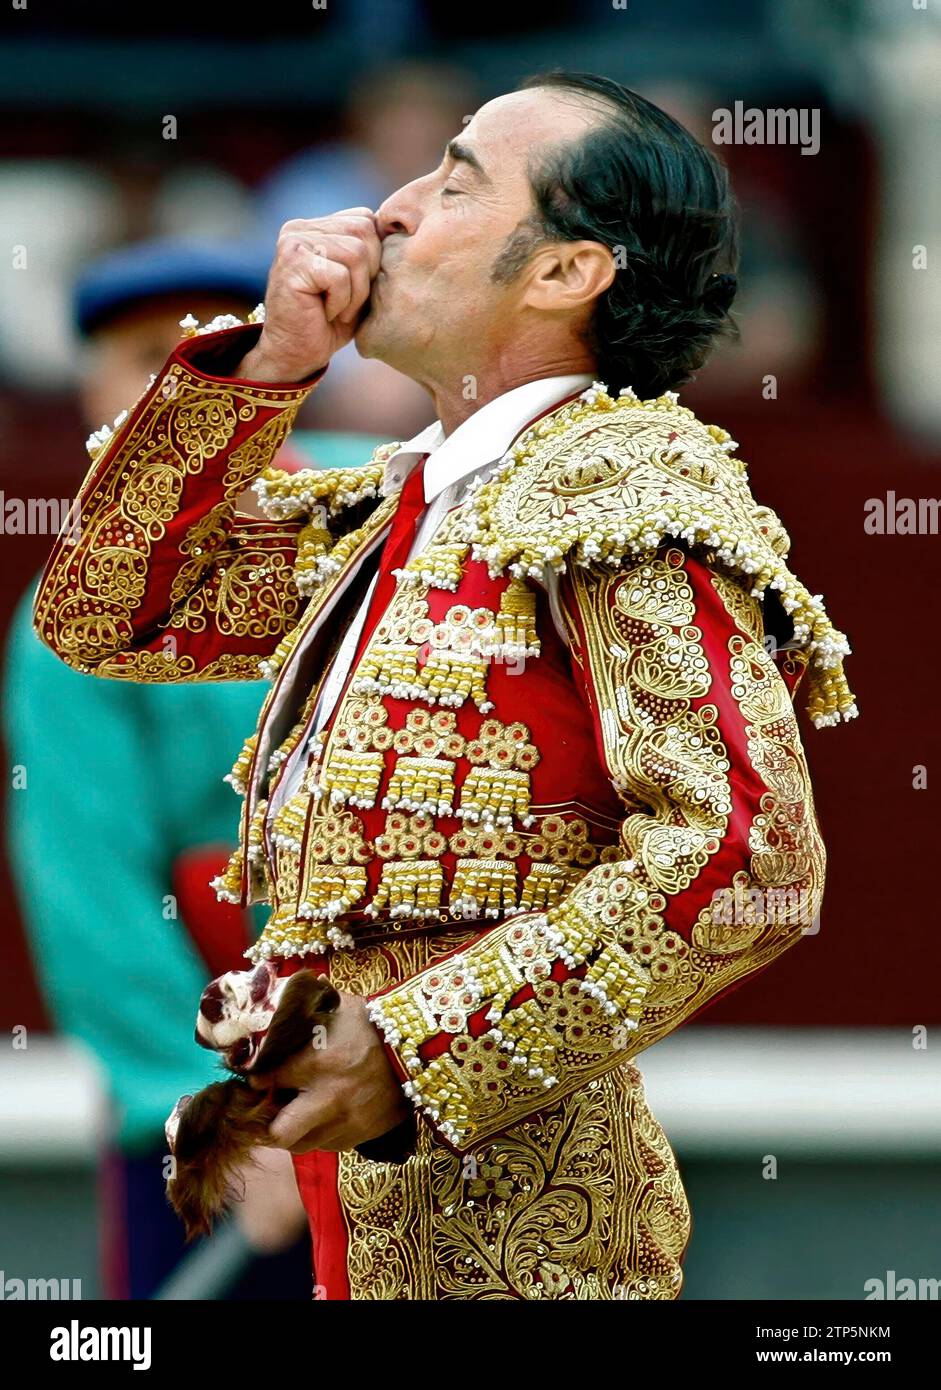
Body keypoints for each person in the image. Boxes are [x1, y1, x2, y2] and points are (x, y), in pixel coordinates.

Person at [33, 73, 856, 1301]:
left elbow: (747, 856)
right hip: (360, 1206)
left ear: (565, 273)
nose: (392, 210)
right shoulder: (400, 509)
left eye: (454, 180)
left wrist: (416, 1050)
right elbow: (105, 613)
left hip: (519, 1235)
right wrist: (264, 369)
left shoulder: (618, 493)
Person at [6, 239, 317, 1299]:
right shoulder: (69, 624)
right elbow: (92, 899)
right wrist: (221, 1123)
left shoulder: (392, 504)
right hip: (218, 1099)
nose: (176, 390)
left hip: (428, 1067)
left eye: (213, 357)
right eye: (145, 358)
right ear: (94, 386)